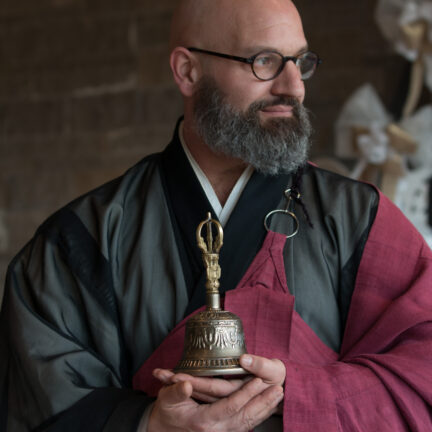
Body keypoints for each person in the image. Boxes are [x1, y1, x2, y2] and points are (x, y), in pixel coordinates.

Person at [1, 0, 431, 430]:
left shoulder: (359, 220)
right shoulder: (80, 240)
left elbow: (423, 370)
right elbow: (37, 402)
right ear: (187, 72)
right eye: (264, 61)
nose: (293, 86)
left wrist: (301, 394)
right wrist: (147, 423)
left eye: (300, 62)